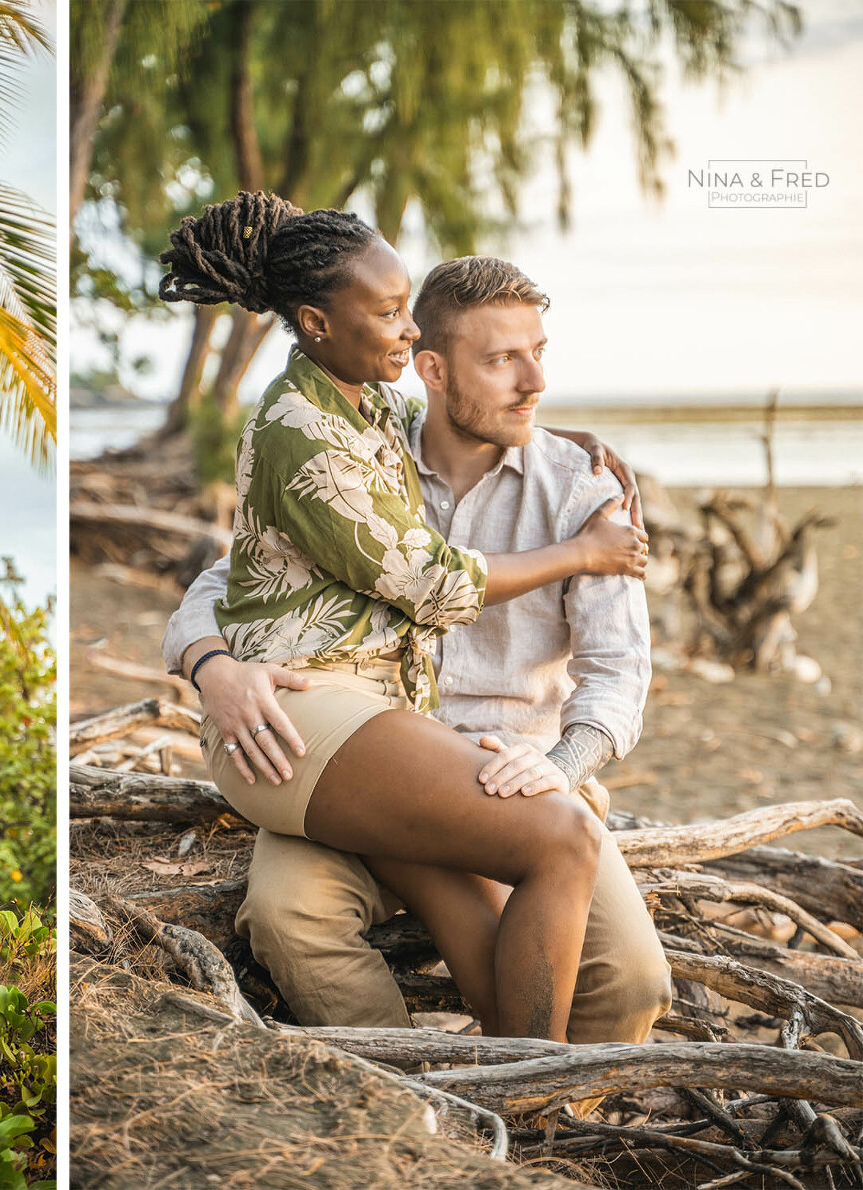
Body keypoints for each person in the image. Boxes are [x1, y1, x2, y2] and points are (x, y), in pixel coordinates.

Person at [155, 192, 648, 1040]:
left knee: (628, 983)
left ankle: (514, 1108)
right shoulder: (320, 434)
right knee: (290, 914)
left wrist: (536, 428)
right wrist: (212, 666)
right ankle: (414, 1101)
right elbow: (255, 577)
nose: (532, 380)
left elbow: (618, 677)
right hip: (333, 722)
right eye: (502, 362)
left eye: (537, 358)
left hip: (485, 756)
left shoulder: (385, 419)